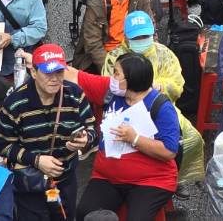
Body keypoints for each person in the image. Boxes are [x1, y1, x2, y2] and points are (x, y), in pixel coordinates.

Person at [72, 53, 182, 221]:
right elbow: (75, 76)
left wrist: (135, 139)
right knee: (85, 213)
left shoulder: (161, 106)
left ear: (131, 80)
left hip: (150, 181)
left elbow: (169, 151)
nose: (112, 77)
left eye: (116, 73)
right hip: (107, 177)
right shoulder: (112, 92)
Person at [0, 45, 97, 221]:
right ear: (33, 72)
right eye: (48, 73)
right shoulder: (15, 103)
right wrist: (36, 160)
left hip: (65, 181)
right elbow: (3, 145)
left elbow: (93, 129)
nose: (55, 79)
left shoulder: (75, 95)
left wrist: (86, 138)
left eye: (59, 72)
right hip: (31, 184)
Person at [75, 0, 156, 71]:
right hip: (105, 55)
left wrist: (154, 56)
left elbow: (150, 27)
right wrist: (111, 71)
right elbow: (93, 43)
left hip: (132, 51)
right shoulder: (98, 0)